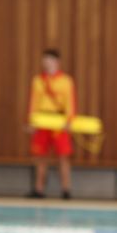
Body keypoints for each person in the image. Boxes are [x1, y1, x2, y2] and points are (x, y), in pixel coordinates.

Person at [26, 49, 76, 199]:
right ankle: (39, 189)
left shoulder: (66, 81)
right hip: (42, 120)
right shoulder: (38, 81)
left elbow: (70, 102)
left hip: (59, 122)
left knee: (63, 156)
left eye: (50, 60)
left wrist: (69, 120)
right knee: (40, 157)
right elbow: (33, 102)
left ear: (57, 62)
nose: (47, 63)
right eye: (45, 60)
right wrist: (32, 121)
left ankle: (66, 190)